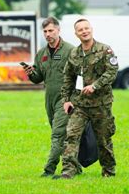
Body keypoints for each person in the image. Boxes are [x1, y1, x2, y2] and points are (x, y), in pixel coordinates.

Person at [54, 18, 118, 179]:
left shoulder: (105, 50)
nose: (84, 31)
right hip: (80, 105)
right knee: (71, 136)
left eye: (86, 28)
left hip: (100, 104)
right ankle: (68, 171)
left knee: (103, 139)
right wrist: (66, 100)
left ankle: (108, 171)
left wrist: (95, 86)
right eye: (80, 29)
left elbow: (112, 71)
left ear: (91, 30)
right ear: (76, 34)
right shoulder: (74, 54)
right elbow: (68, 77)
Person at [22, 16, 74, 177]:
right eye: (45, 31)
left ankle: (49, 169)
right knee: (62, 136)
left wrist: (73, 99)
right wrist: (31, 73)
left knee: (57, 135)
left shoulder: (70, 51)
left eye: (51, 30)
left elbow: (80, 75)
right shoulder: (41, 53)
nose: (48, 34)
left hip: (65, 99)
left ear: (58, 30)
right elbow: (38, 78)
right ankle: (75, 167)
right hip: (49, 100)